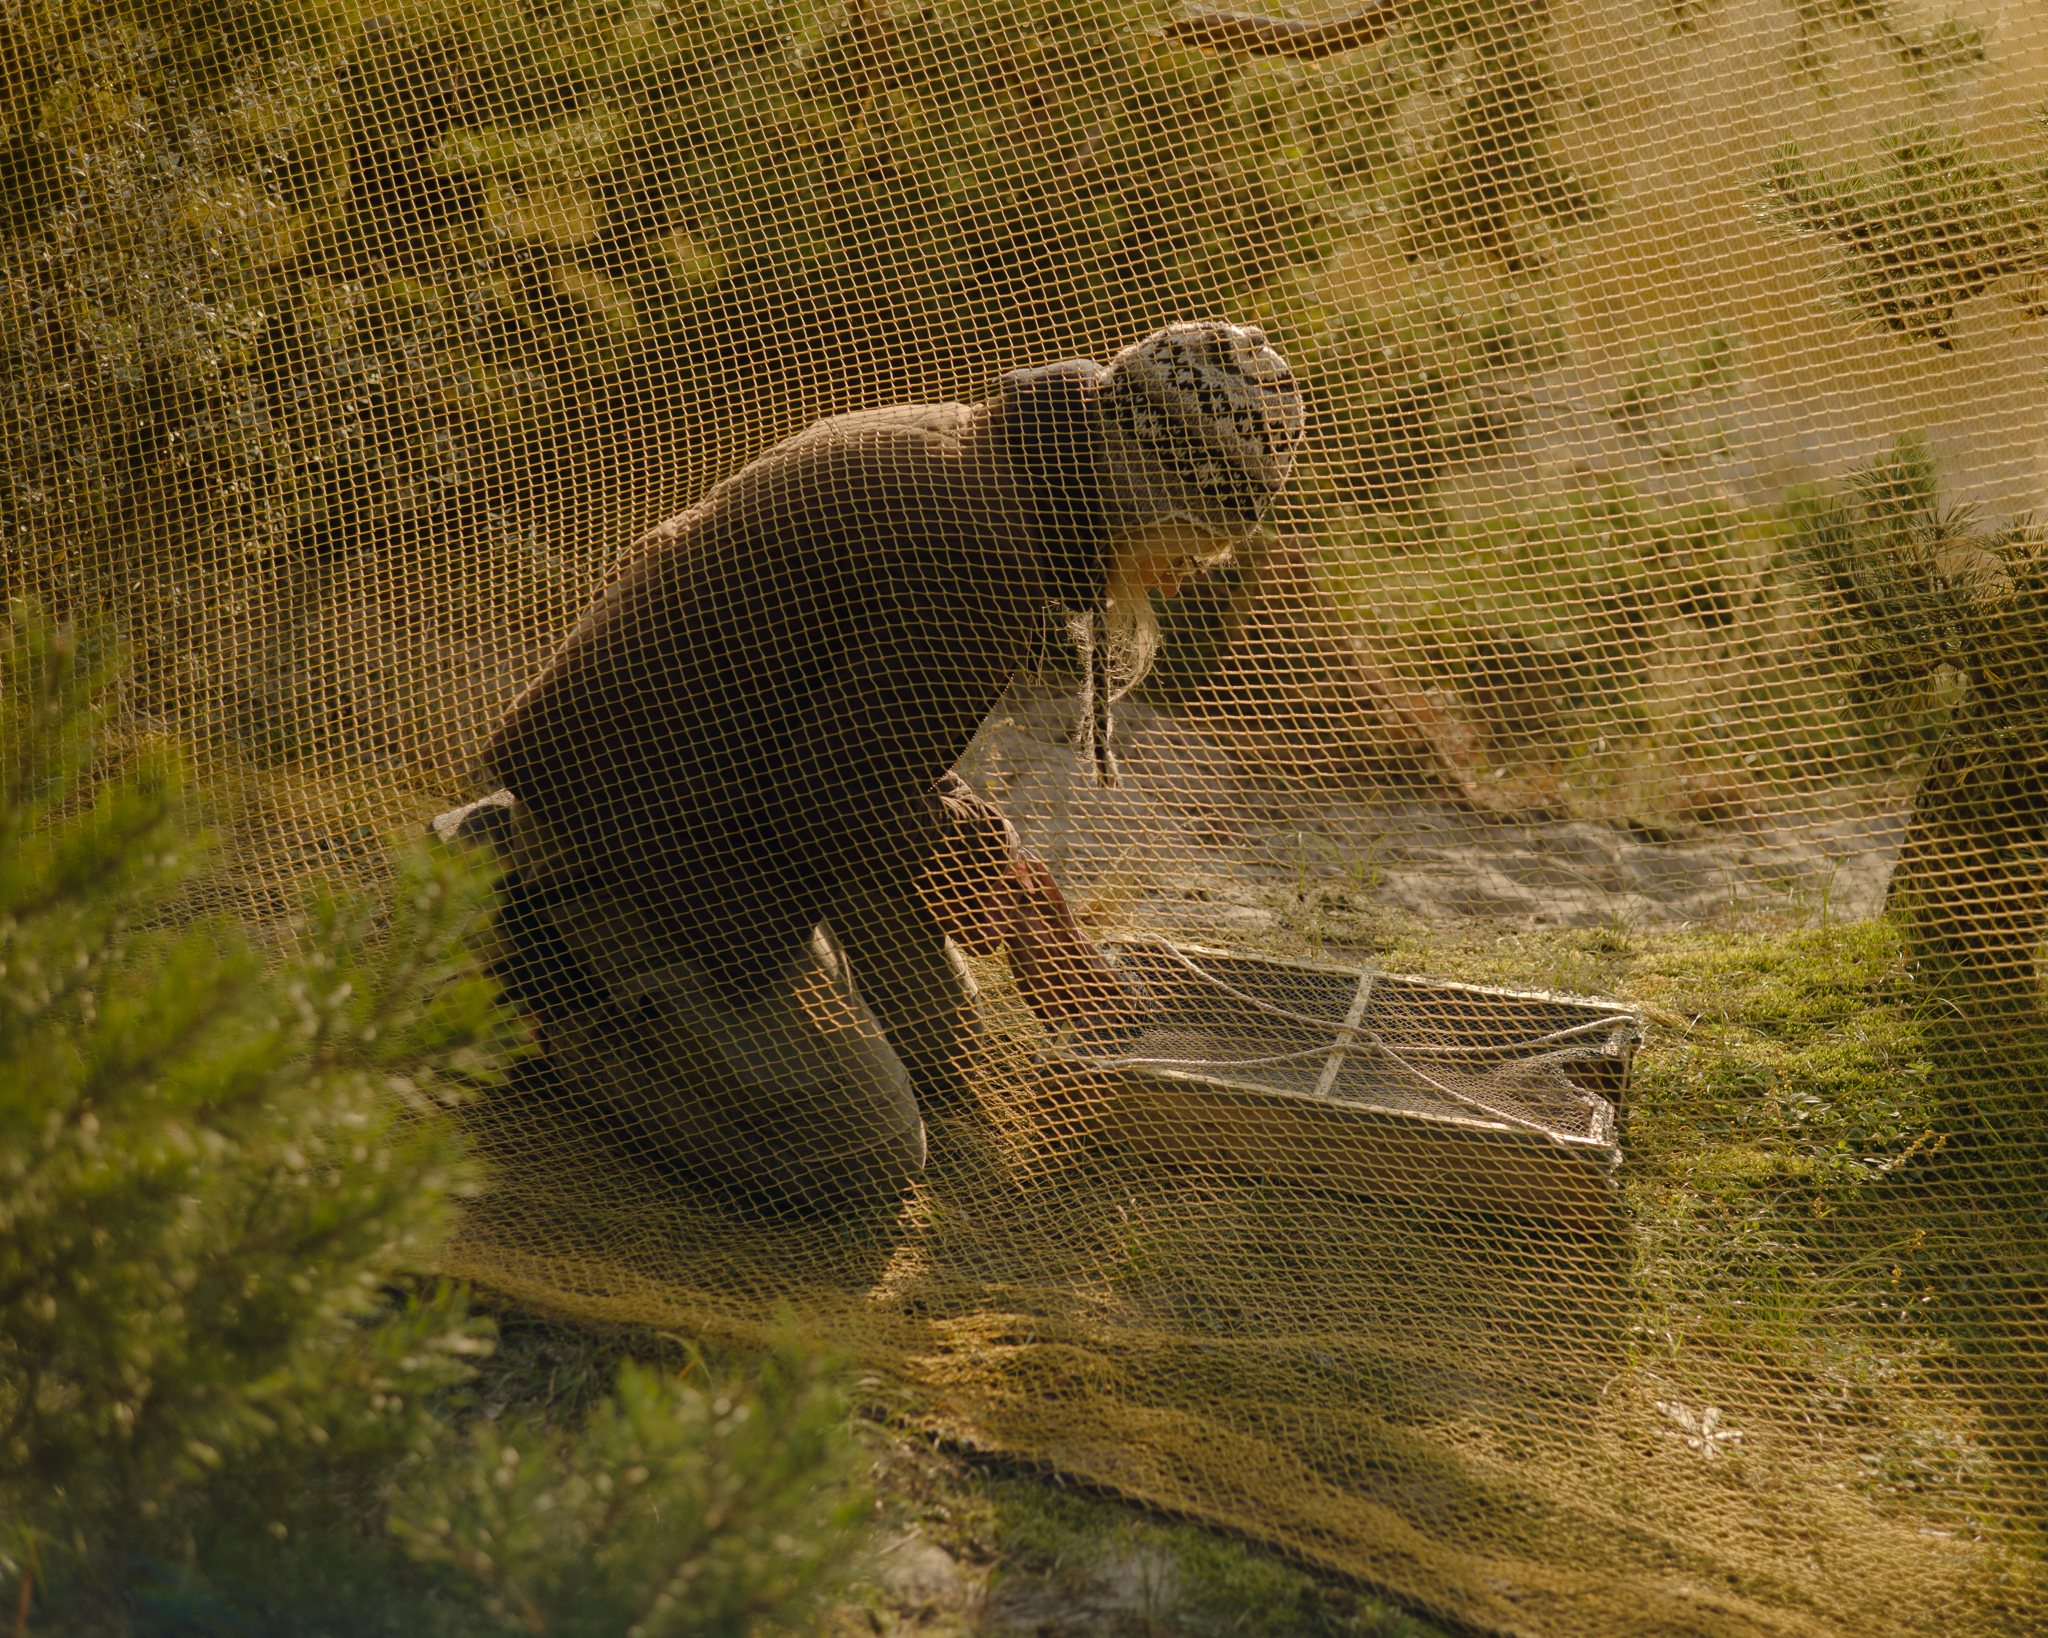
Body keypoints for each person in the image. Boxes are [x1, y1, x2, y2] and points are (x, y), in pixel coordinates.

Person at [440, 321, 1306, 1210]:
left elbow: (860, 748)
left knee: (939, 1045)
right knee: (862, 1147)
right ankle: (519, 976)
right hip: (638, 830)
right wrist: (1002, 909)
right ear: (1141, 491)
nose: (1178, 580)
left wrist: (997, 865)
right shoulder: (978, 550)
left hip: (717, 790)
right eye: (1192, 545)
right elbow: (835, 797)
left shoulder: (975, 451)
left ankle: (544, 907)